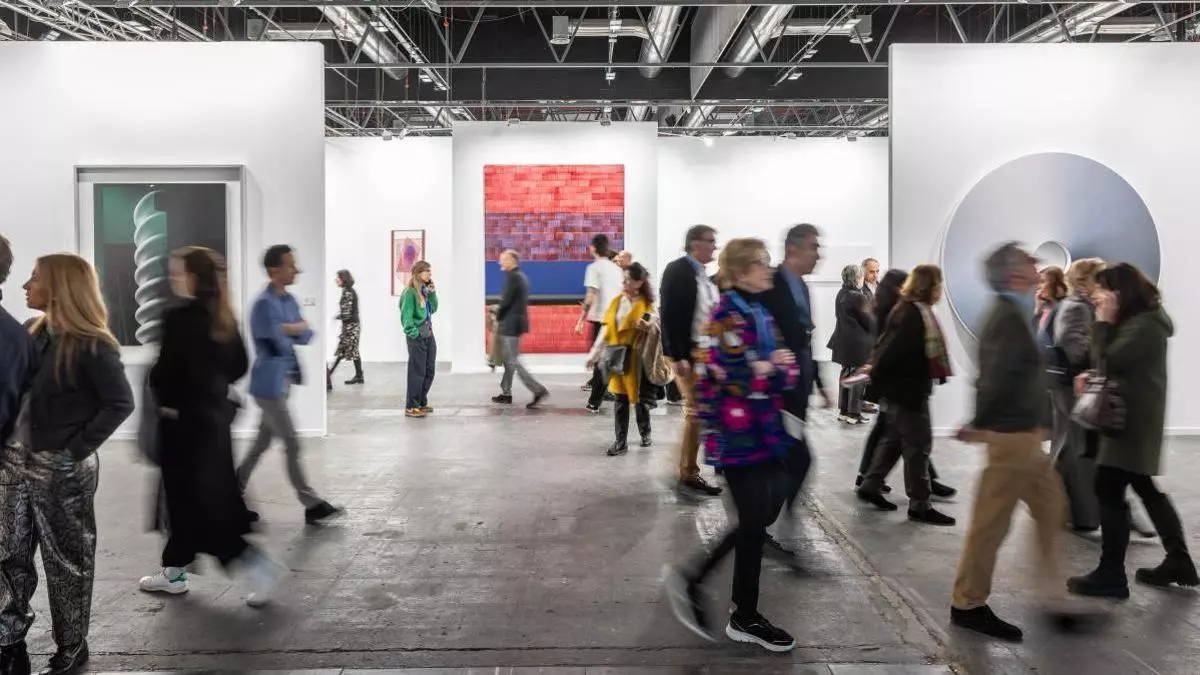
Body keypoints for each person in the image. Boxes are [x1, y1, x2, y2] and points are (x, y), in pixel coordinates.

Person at [0, 254, 135, 675]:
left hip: (61, 468)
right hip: (13, 461)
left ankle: (71, 646)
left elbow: (120, 403)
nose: (25, 285)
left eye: (35, 278)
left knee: (66, 562)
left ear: (60, 287)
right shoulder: (31, 332)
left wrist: (73, 450)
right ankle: (8, 640)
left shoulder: (93, 344)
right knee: (8, 552)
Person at [665, 238, 799, 653]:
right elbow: (733, 377)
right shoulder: (726, 316)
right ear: (742, 271)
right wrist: (767, 367)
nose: (769, 269)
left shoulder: (757, 311)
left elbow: (785, 371)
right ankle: (740, 613)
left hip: (763, 431)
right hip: (738, 437)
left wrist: (769, 367)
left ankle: (699, 584)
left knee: (758, 517)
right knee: (753, 522)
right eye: (762, 263)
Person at [137, 247, 284, 606]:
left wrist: (167, 397)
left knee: (199, 505)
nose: (174, 277)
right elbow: (239, 366)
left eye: (177, 271)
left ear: (192, 276)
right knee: (188, 501)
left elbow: (166, 371)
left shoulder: (180, 317)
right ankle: (174, 570)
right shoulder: (223, 316)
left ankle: (258, 568)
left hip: (183, 427)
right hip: (213, 424)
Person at [950, 243, 1082, 641]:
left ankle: (1053, 596)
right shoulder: (1006, 316)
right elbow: (993, 378)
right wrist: (981, 423)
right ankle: (968, 603)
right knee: (990, 524)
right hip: (1011, 438)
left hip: (1026, 436)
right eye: (1027, 259)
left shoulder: (1018, 311)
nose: (1035, 263)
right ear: (1014, 274)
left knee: (1052, 507)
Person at [1067, 263, 1197, 598]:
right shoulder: (1142, 322)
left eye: (1103, 289)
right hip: (1128, 419)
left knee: (1108, 487)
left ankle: (1112, 575)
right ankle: (1178, 560)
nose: (1097, 296)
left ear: (1119, 292)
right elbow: (1116, 365)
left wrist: (1102, 323)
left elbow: (1109, 359)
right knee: (1143, 487)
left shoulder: (1145, 326)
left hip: (1130, 424)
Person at [237, 245, 342, 525]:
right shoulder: (263, 304)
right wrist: (293, 328)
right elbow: (274, 338)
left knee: (260, 443)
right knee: (292, 443)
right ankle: (311, 503)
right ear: (274, 270)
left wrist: (290, 328)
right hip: (267, 386)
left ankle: (234, 488)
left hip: (283, 381)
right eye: (290, 265)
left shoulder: (289, 301)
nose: (296, 270)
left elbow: (306, 335)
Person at [856, 264, 956, 526]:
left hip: (902, 390)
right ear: (930, 286)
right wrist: (877, 375)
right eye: (938, 284)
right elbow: (891, 351)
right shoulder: (912, 313)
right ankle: (920, 505)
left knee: (894, 441)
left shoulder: (912, 310)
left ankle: (870, 484)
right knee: (918, 446)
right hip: (907, 390)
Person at [758, 223, 833, 558]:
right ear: (793, 249)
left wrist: (819, 382)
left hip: (796, 392)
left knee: (788, 461)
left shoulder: (800, 286)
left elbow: (805, 339)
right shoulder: (771, 284)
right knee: (797, 459)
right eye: (813, 247)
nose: (819, 254)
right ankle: (760, 525)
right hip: (776, 393)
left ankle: (761, 525)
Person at [660, 225, 722, 497]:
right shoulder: (678, 270)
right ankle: (687, 471)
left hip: (703, 352)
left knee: (699, 410)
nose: (714, 246)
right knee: (695, 411)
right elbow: (669, 315)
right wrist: (678, 355)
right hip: (688, 353)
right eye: (711, 241)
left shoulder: (702, 275)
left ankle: (683, 464)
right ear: (695, 244)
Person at [586, 263, 656, 456]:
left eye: (628, 279)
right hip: (618, 356)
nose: (624, 282)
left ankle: (645, 433)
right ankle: (620, 442)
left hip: (638, 359)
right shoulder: (617, 301)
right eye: (623, 279)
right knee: (620, 399)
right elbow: (606, 330)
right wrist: (594, 354)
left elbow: (656, 323)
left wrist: (649, 325)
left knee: (640, 399)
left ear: (639, 282)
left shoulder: (647, 303)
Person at [491, 250, 549, 409]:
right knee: (509, 361)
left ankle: (538, 389)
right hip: (516, 324)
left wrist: (498, 315)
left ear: (511, 260)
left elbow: (506, 302)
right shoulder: (521, 277)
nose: (500, 263)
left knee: (513, 361)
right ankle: (506, 392)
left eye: (503, 260)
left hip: (509, 325)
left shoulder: (513, 278)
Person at [577, 235, 623, 413]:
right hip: (616, 318)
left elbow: (591, 295)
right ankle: (598, 399)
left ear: (593, 248)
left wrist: (581, 319)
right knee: (606, 360)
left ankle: (594, 402)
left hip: (600, 319)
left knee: (599, 360)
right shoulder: (616, 269)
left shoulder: (594, 268)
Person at [828, 264, 874, 425]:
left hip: (843, 342)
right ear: (857, 278)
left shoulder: (841, 293)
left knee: (846, 375)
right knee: (858, 378)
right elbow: (869, 322)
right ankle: (854, 414)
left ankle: (844, 411)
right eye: (861, 276)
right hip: (858, 344)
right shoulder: (858, 297)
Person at [399, 261, 438, 418]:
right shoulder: (410, 293)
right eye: (427, 271)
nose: (429, 274)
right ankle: (411, 406)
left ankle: (421, 401)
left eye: (430, 271)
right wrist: (413, 333)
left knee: (429, 370)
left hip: (428, 334)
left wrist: (432, 293)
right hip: (417, 336)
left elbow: (433, 309)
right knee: (417, 372)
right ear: (418, 273)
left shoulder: (423, 291)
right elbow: (406, 316)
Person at [326, 269, 362, 390]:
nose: (336, 280)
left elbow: (347, 314)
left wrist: (338, 316)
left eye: (338, 278)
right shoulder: (348, 291)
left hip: (351, 327)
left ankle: (329, 373)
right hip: (351, 326)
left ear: (344, 279)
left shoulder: (348, 292)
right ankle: (359, 375)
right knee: (348, 350)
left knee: (348, 350)